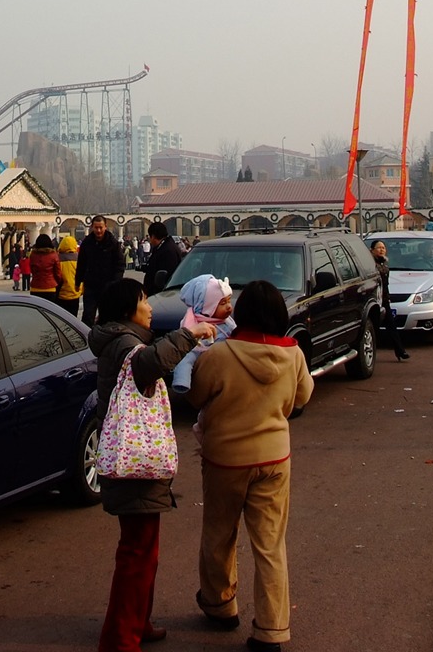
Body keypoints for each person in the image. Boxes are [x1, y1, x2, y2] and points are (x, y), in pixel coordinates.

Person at [89, 278, 215, 652]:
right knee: (137, 552)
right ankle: (120, 637)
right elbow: (151, 362)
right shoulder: (128, 345)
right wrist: (189, 334)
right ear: (129, 309)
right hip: (136, 462)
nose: (150, 308)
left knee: (144, 549)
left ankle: (137, 622)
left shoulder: (117, 341)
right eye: (144, 301)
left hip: (132, 461)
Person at [187, 280, 314, 652]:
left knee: (219, 534)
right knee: (271, 545)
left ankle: (220, 603)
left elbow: (196, 396)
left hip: (225, 458)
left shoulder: (220, 356)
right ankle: (272, 629)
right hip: (274, 458)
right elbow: (303, 397)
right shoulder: (293, 355)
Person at [171, 274, 234, 394]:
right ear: (207, 307)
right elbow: (188, 354)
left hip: (226, 370)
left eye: (229, 301)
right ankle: (182, 381)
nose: (229, 307)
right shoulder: (195, 325)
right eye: (222, 303)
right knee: (187, 357)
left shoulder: (227, 322)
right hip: (208, 372)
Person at [78, 216, 126, 327]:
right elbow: (81, 264)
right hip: (91, 286)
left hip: (108, 286)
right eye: (96, 227)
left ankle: (106, 339)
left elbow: (120, 265)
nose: (98, 231)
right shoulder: (87, 243)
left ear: (105, 227)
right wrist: (78, 281)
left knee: (108, 316)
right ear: (92, 228)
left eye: (101, 227)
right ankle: (87, 339)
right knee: (88, 316)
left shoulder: (113, 243)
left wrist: (115, 282)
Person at [370, 240, 409, 361]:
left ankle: (400, 351)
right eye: (378, 248)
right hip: (373, 301)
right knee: (373, 328)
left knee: (391, 326)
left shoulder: (383, 263)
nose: (381, 250)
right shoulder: (371, 265)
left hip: (384, 300)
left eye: (383, 248)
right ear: (372, 250)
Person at [142, 221, 182, 296]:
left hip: (162, 294)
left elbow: (165, 275)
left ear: (153, 236)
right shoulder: (162, 247)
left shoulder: (168, 250)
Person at [28, 234, 63, 303]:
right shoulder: (53, 255)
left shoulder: (33, 255)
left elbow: (32, 270)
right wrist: (58, 283)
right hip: (50, 288)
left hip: (35, 287)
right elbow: (58, 273)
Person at [56, 234, 84, 316]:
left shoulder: (58, 259)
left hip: (61, 294)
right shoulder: (79, 259)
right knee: (72, 318)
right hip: (75, 293)